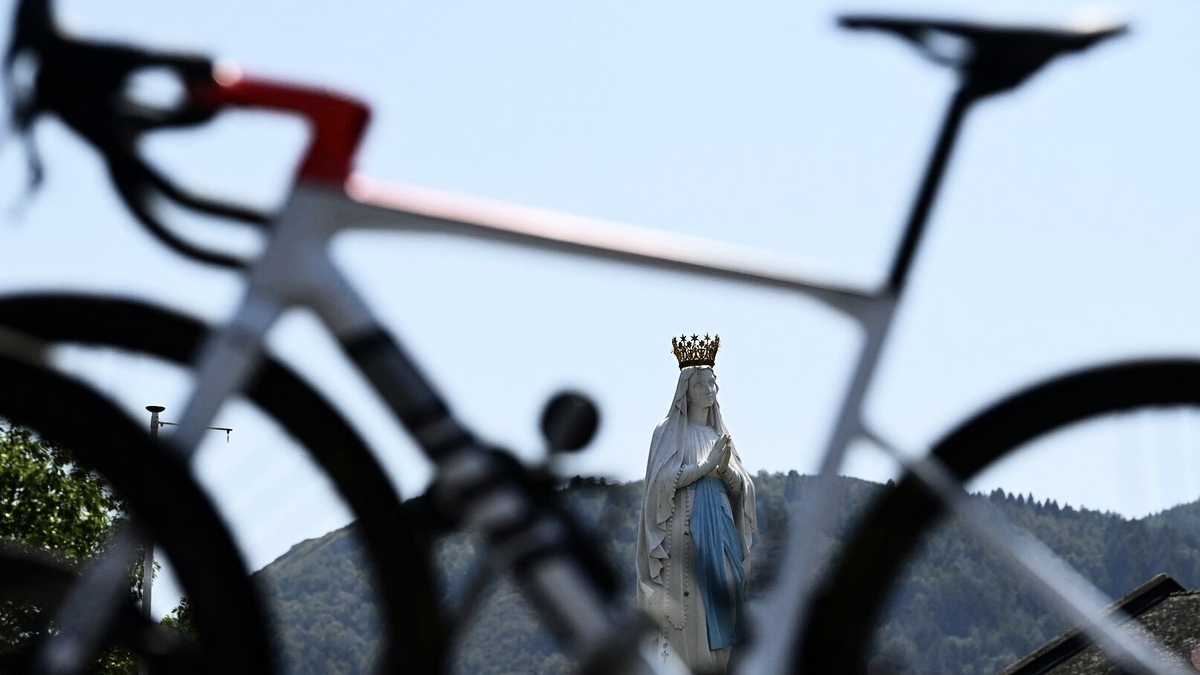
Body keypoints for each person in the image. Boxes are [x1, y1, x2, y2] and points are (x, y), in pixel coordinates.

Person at [636, 334, 756, 673]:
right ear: (686, 389)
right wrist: (704, 469)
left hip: (721, 533)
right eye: (701, 384)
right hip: (686, 531)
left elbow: (743, 487)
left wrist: (724, 472)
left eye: (712, 383)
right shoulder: (668, 432)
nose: (708, 390)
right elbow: (659, 484)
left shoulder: (721, 435)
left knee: (726, 598)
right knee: (692, 607)